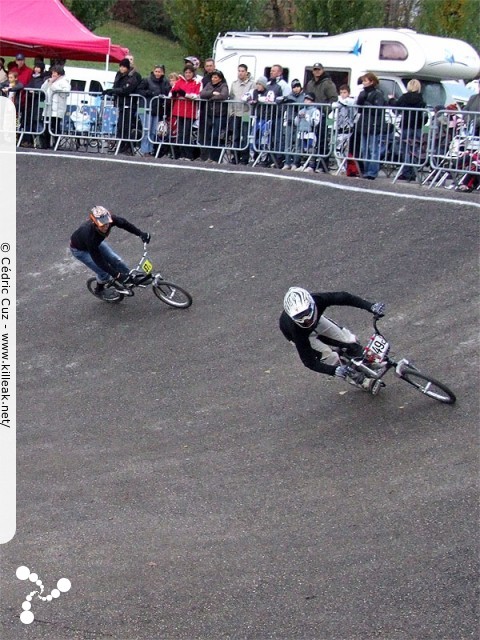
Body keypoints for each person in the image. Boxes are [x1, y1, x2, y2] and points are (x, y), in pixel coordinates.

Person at [280, 287, 385, 387]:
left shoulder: (319, 300)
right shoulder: (295, 330)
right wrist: (333, 370)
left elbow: (344, 297)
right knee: (330, 357)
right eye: (299, 317)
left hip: (317, 321)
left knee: (349, 340)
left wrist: (370, 306)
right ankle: (360, 380)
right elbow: (309, 361)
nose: (305, 320)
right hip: (299, 335)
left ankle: (365, 361)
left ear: (311, 304)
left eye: (306, 313)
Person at [70, 206, 150, 298]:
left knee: (115, 259)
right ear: (95, 223)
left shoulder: (110, 220)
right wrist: (116, 275)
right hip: (80, 250)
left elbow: (125, 224)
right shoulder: (89, 236)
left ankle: (129, 277)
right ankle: (99, 290)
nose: (106, 227)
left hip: (96, 243)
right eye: (102, 225)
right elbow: (98, 260)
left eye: (107, 224)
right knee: (103, 272)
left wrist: (141, 234)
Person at [388, 78, 427, 181]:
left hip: (406, 125)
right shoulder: (421, 99)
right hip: (417, 126)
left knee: (406, 150)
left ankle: (406, 172)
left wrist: (391, 100)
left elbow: (396, 108)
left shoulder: (404, 97)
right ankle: (413, 171)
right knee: (415, 150)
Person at [104, 58, 141, 153]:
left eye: (131, 60)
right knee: (120, 125)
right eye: (121, 66)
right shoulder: (119, 74)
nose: (122, 68)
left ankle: (126, 146)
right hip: (121, 103)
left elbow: (127, 89)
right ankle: (120, 145)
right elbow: (117, 86)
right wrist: (112, 91)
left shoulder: (134, 75)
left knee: (127, 126)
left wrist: (114, 91)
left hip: (129, 104)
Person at [356, 72, 386, 180]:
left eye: (365, 81)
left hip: (373, 124)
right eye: (363, 81)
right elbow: (359, 108)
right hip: (364, 124)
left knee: (373, 149)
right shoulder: (363, 93)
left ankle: (372, 172)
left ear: (371, 81)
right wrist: (361, 100)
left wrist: (367, 104)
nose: (363, 83)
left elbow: (378, 109)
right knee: (364, 149)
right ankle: (366, 170)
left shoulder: (378, 93)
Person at [137, 64, 170, 156]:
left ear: (162, 72)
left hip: (157, 109)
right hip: (145, 108)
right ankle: (144, 150)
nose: (157, 73)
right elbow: (139, 91)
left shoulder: (165, 82)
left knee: (153, 130)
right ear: (153, 71)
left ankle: (150, 149)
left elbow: (167, 92)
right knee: (146, 129)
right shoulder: (146, 80)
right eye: (156, 71)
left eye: (159, 71)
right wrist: (150, 93)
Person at [170, 64, 201, 160]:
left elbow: (196, 96)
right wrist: (174, 93)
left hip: (189, 111)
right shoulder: (180, 81)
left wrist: (185, 94)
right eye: (186, 72)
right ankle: (181, 154)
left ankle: (188, 155)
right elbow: (171, 92)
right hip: (179, 110)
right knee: (180, 133)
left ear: (193, 73)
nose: (187, 74)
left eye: (189, 72)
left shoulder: (197, 83)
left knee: (187, 133)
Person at [199, 69, 229, 162]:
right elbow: (202, 94)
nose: (213, 79)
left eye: (215, 77)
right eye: (212, 77)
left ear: (220, 79)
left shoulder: (224, 85)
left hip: (220, 114)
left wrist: (212, 98)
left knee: (216, 135)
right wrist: (212, 94)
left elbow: (224, 95)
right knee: (208, 135)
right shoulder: (209, 85)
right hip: (210, 114)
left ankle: (215, 157)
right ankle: (209, 156)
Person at [228, 63, 255, 165]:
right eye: (239, 71)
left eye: (242, 71)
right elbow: (231, 97)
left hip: (246, 114)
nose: (240, 73)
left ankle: (244, 158)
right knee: (235, 136)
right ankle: (235, 157)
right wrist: (231, 112)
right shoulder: (234, 84)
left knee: (245, 136)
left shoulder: (251, 84)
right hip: (236, 113)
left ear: (246, 72)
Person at [40, 65, 70, 149]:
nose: (53, 74)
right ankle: (45, 144)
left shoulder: (65, 82)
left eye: (54, 73)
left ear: (59, 74)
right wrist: (48, 82)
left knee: (55, 127)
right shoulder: (49, 80)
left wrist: (52, 85)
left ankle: (56, 144)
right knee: (45, 126)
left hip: (57, 109)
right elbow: (42, 89)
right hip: (48, 107)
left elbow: (66, 92)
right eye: (52, 72)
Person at [282, 78, 305, 170]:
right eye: (294, 87)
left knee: (298, 144)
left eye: (298, 86)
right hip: (289, 121)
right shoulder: (288, 96)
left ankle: (296, 162)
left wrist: (294, 103)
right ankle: (287, 162)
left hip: (300, 122)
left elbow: (304, 105)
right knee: (287, 143)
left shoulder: (304, 96)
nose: (296, 89)